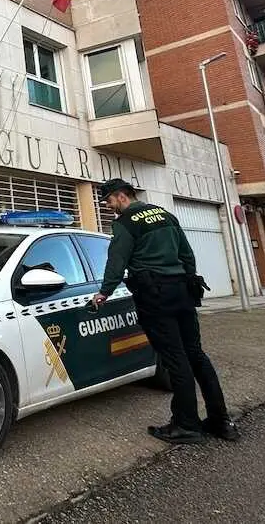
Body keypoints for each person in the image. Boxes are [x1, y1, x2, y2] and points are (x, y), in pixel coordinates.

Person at [91, 178, 240, 445]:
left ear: (121, 196)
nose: (109, 206)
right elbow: (187, 254)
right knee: (196, 355)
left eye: (109, 201)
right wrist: (187, 278)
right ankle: (221, 421)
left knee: (175, 360)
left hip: (155, 296)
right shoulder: (166, 215)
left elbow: (117, 261)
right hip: (182, 290)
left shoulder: (125, 223)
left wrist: (104, 292)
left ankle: (186, 425)